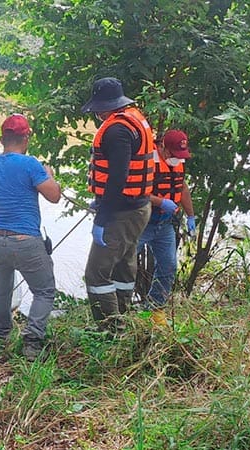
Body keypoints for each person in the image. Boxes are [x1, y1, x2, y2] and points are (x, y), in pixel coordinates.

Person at [0, 114, 61, 360]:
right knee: (44, 291)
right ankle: (32, 341)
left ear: (1, 139)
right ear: (26, 137)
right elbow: (54, 196)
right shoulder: (31, 165)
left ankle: (0, 338)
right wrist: (48, 175)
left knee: (3, 289)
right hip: (25, 239)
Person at [81, 77, 155, 331]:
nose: (97, 114)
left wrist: (102, 217)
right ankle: (124, 319)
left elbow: (118, 178)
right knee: (124, 268)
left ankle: (111, 330)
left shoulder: (116, 131)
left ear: (105, 107)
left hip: (122, 213)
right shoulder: (134, 120)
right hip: (138, 207)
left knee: (96, 274)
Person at [137, 129, 196, 325]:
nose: (176, 159)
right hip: (142, 223)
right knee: (123, 264)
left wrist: (191, 216)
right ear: (162, 146)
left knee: (168, 266)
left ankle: (155, 310)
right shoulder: (146, 160)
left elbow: (182, 187)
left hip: (164, 225)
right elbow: (134, 191)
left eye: (180, 156)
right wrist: (160, 202)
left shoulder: (177, 162)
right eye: (172, 154)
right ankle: (118, 311)